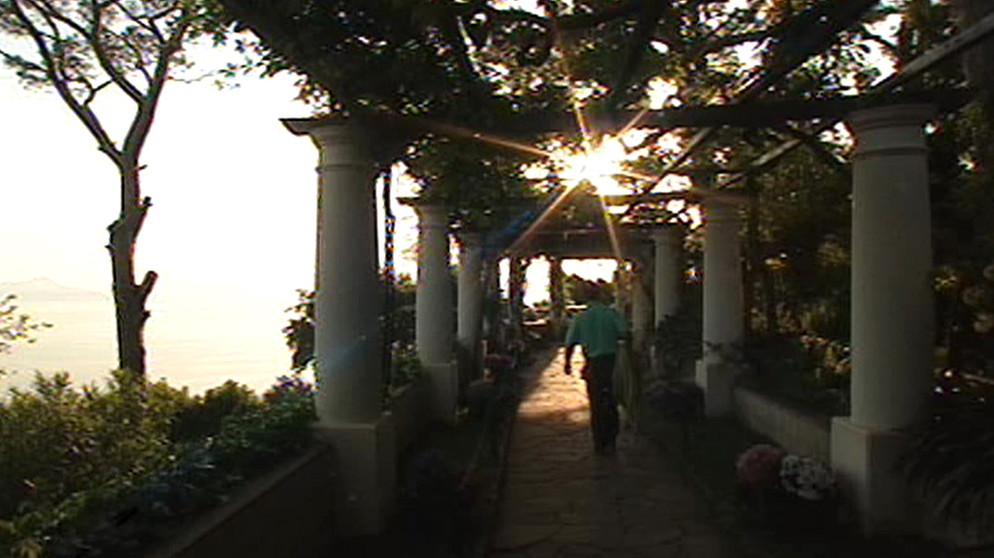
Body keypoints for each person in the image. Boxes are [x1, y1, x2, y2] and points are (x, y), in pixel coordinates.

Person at [563, 282, 628, 454]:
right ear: (600, 295)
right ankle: (612, 439)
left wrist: (567, 363)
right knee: (611, 400)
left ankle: (599, 441)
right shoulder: (611, 314)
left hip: (592, 363)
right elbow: (624, 332)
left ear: (585, 297)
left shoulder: (580, 317)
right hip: (611, 362)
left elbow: (570, 343)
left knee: (596, 403)